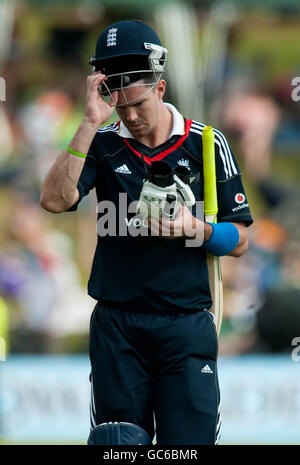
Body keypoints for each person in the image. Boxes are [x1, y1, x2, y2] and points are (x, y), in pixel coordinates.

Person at [40, 19, 253, 445]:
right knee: (117, 444)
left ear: (160, 87)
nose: (131, 116)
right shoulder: (101, 142)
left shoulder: (207, 143)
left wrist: (197, 230)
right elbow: (55, 200)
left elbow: (241, 239)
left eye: (138, 103)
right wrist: (87, 123)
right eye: (121, 107)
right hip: (117, 324)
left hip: (186, 322)